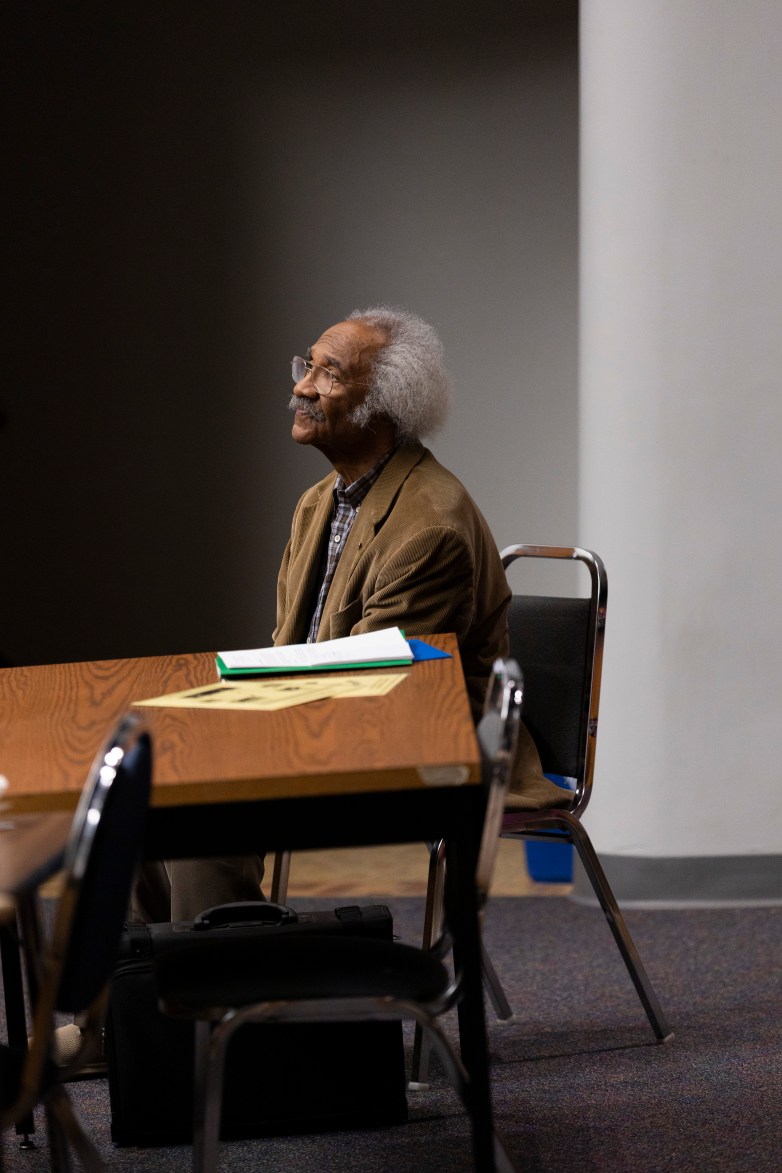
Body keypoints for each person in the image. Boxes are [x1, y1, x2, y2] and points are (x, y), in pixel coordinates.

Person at [131, 305, 562, 923]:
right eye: (307, 366)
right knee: (134, 789)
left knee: (205, 805)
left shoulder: (430, 527)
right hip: (331, 716)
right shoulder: (319, 503)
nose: (303, 386)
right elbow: (293, 649)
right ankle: (136, 1008)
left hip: (417, 744)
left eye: (329, 373)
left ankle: (222, 1004)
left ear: (382, 407)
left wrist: (227, 733)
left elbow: (376, 686)